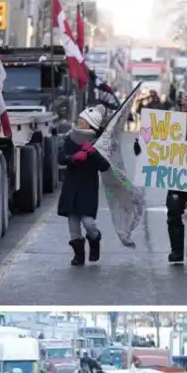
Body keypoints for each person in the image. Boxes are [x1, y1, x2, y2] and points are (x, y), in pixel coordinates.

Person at [131, 90, 187, 265]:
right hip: (177, 179)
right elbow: (157, 146)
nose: (183, 102)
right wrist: (142, 147)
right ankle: (176, 251)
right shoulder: (172, 124)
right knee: (174, 213)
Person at [58, 105, 111, 267]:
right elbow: (61, 158)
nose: (78, 122)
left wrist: (93, 153)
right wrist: (72, 158)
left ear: (89, 125)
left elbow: (105, 166)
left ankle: (95, 241)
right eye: (79, 120)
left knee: (88, 222)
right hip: (70, 187)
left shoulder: (99, 143)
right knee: (73, 224)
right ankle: (78, 256)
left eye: (82, 121)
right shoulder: (70, 138)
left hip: (88, 188)